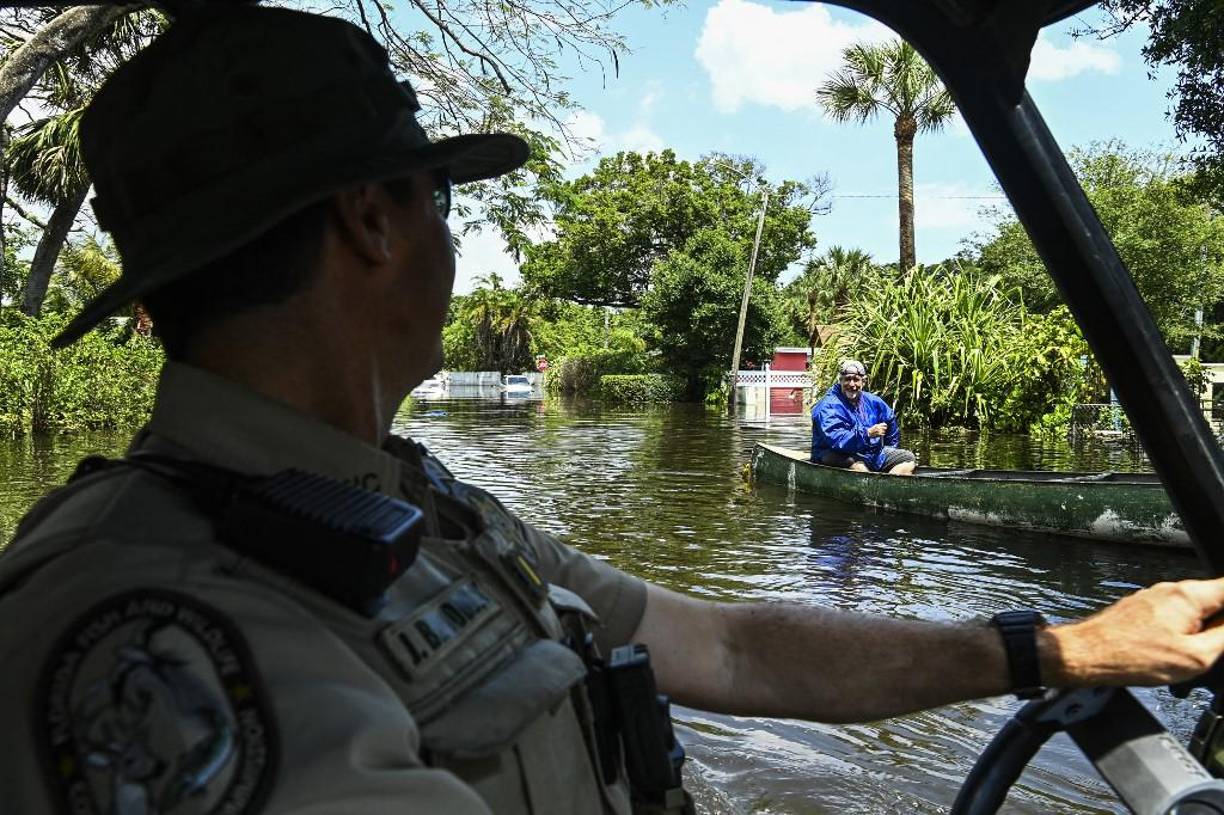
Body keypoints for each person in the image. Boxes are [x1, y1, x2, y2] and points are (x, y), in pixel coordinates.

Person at [3, 7, 1224, 815]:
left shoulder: (429, 507)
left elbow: (730, 646)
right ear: (370, 220)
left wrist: (1046, 648)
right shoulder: (144, 623)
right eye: (440, 195)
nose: (455, 235)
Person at [811, 359, 918, 475]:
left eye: (856, 380)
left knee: (908, 458)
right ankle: (871, 488)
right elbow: (838, 440)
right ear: (840, 380)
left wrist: (890, 448)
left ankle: (888, 485)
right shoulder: (828, 406)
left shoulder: (873, 401)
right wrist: (867, 433)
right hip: (835, 454)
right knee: (858, 465)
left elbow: (890, 422)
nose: (852, 384)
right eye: (847, 379)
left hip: (870, 454)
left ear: (864, 381)